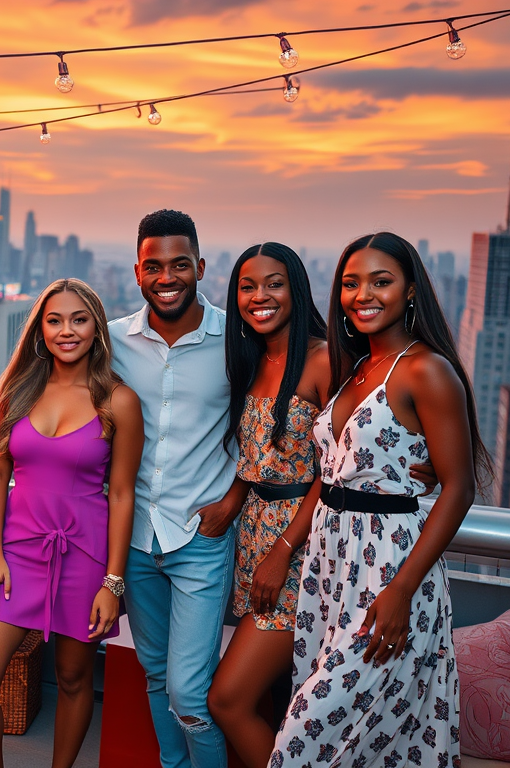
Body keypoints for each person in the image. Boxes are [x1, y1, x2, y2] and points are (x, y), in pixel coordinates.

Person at [270, 232, 488, 767]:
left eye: (381, 281)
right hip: (332, 567)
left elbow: (458, 488)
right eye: (350, 283)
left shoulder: (425, 369)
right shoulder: (355, 368)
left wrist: (401, 591)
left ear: (411, 290)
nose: (363, 294)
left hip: (388, 571)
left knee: (302, 742)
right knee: (356, 744)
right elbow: (341, 468)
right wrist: (285, 547)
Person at [0, 279, 143, 768]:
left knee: (74, 678)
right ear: (40, 329)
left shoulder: (118, 401)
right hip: (16, 553)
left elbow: (123, 495)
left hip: (85, 558)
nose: (67, 330)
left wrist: (113, 583)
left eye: (79, 319)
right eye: (55, 320)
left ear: (97, 328)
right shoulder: (18, 390)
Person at [108, 210, 251, 768]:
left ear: (200, 267)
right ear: (137, 272)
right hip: (137, 539)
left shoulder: (236, 340)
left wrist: (232, 502)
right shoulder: (114, 339)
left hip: (201, 537)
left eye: (179, 264)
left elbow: (269, 426)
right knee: (155, 674)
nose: (167, 277)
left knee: (191, 694)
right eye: (154, 266)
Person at [206, 243, 330, 768]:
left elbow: (335, 472)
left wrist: (282, 552)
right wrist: (232, 502)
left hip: (299, 548)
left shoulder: (324, 359)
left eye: (274, 283)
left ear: (296, 289)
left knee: (227, 700)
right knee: (281, 699)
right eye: (248, 286)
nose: (260, 297)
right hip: (252, 535)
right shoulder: (251, 359)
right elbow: (255, 459)